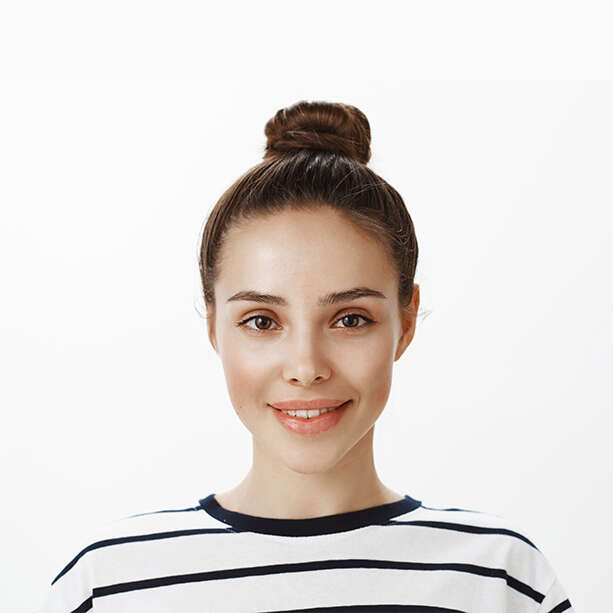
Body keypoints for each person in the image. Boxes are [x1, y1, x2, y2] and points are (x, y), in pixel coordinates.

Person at [37, 100, 575, 612]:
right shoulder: (109, 586)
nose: (305, 366)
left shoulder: (500, 580)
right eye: (262, 322)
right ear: (213, 324)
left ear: (406, 321)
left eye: (350, 319)